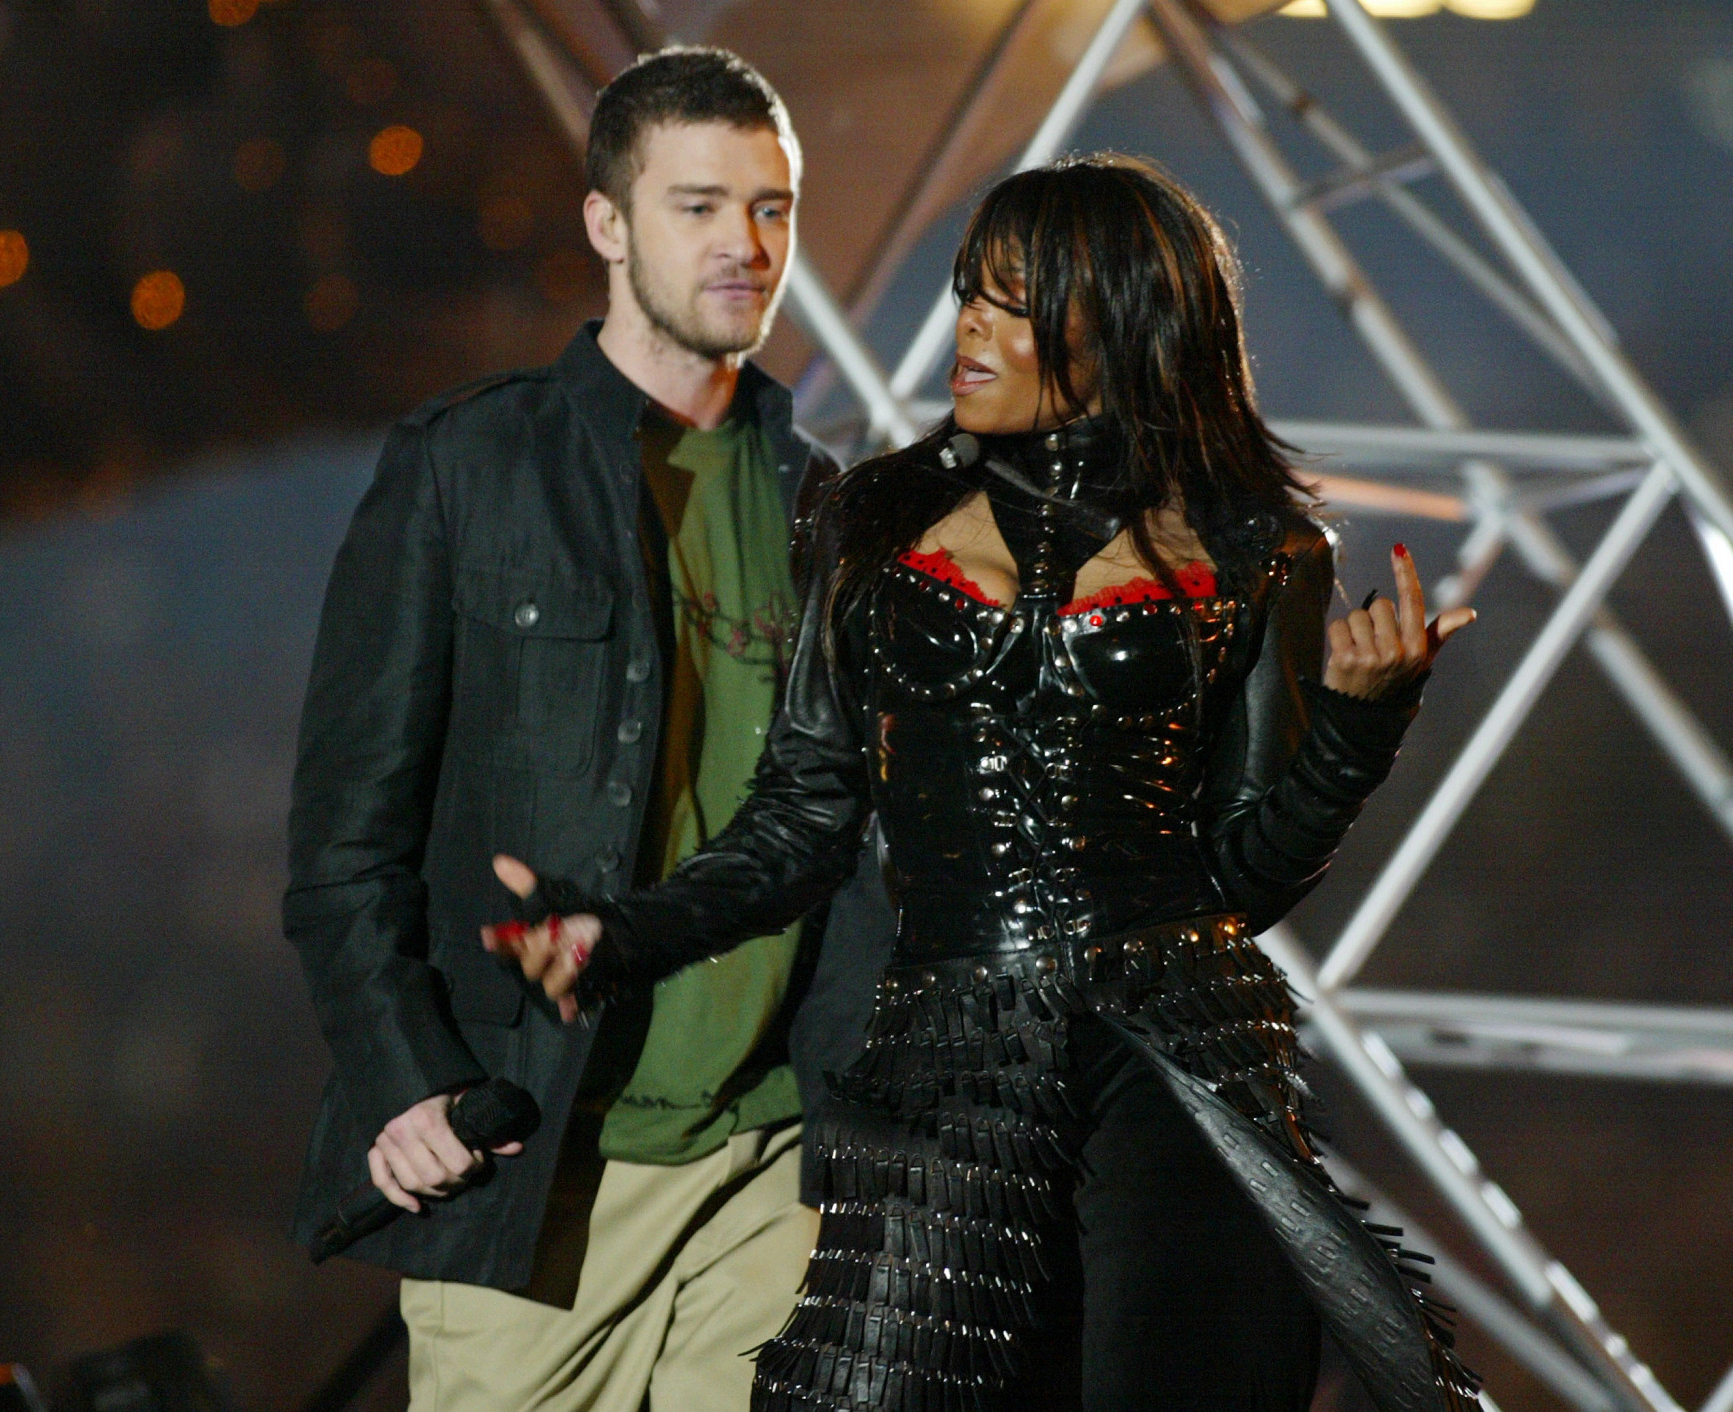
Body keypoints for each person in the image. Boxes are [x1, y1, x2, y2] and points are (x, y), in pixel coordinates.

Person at [485, 156, 1484, 1411]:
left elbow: (1239, 873)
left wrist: (1352, 730)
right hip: (945, 1053)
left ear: (1120, 324)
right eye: (970, 290)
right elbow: (800, 819)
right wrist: (619, 932)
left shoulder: (1256, 550)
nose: (969, 324)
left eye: (1012, 302)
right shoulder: (871, 523)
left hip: (1173, 1050)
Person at [283, 46, 894, 1412]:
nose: (746, 243)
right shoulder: (464, 471)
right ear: (607, 224)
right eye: (699, 205)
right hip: (538, 1172)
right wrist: (411, 1085)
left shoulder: (833, 514)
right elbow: (343, 842)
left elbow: (854, 846)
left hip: (767, 1175)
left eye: (772, 207)